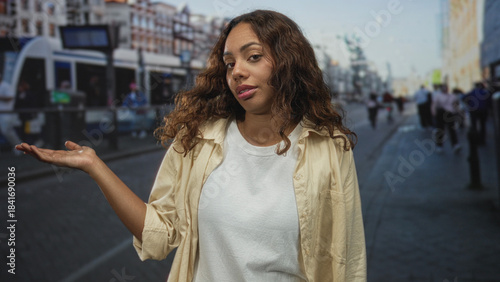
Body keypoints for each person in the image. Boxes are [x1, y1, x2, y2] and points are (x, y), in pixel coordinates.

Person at [16, 10, 366, 282]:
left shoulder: (330, 148)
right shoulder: (197, 141)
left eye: (253, 57)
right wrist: (95, 165)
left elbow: (347, 259)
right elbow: (159, 235)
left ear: (289, 63)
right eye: (229, 63)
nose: (237, 72)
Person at [432, 85, 461, 153]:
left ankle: (455, 145)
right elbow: (434, 104)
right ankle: (439, 146)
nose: (445, 89)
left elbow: (456, 104)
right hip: (441, 113)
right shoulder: (438, 96)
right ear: (441, 89)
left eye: (446, 88)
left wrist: (457, 112)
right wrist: (433, 112)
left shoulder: (452, 96)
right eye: (443, 88)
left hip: (450, 113)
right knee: (440, 130)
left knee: (452, 129)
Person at [0, 73, 22, 155]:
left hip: (6, 113)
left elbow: (10, 97)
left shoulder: (6, 86)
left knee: (7, 131)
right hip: (1, 113)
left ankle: (19, 147)